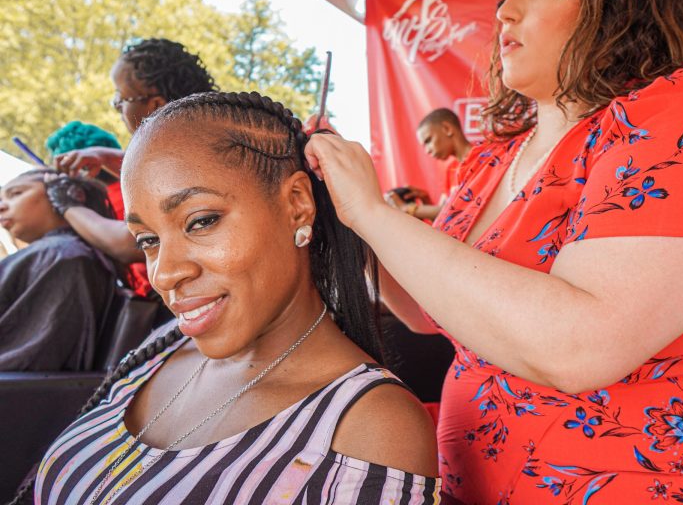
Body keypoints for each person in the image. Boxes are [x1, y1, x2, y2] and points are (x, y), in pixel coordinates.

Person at [304, 0, 683, 503]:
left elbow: (577, 346)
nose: (504, 11)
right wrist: (342, 209)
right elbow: (426, 309)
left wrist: (373, 213)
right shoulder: (491, 160)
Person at [25, 91, 440, 504]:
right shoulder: (165, 345)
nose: (165, 273)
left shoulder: (370, 428)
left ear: (298, 204)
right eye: (147, 240)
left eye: (201, 222)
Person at [50, 38, 216, 296]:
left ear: (156, 105)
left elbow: (127, 243)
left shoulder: (188, 156)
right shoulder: (206, 138)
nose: (118, 108)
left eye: (121, 99)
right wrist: (108, 157)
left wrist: (68, 207)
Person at [0, 170, 116, 371]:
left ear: (69, 195)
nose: (1, 206)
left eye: (16, 193)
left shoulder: (64, 257)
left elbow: (29, 359)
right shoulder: (56, 253)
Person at [385, 109, 473, 221]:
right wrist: (425, 199)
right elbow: (442, 219)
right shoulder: (451, 169)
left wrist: (406, 208)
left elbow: (462, 211)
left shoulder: (484, 159)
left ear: (447, 129)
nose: (427, 151)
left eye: (428, 141)